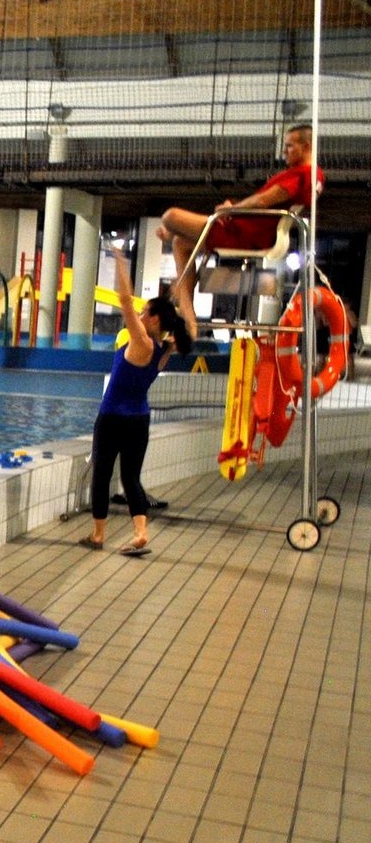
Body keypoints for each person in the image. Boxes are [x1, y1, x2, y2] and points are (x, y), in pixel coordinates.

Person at [81, 246, 194, 557]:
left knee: (102, 474)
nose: (140, 315)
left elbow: (124, 301)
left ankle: (98, 534)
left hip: (113, 418)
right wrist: (178, 296)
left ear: (154, 319)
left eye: (146, 313)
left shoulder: (142, 342)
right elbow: (183, 331)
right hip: (139, 420)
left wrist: (119, 262)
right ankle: (140, 532)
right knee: (131, 476)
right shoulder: (162, 350)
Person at [157, 124, 323, 296]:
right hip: (248, 230)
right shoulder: (315, 176)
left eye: (289, 146)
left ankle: (169, 233)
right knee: (180, 242)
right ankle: (187, 313)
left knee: (170, 216)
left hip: (245, 235)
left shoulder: (303, 174)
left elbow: (263, 200)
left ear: (306, 147)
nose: (284, 152)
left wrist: (231, 209)